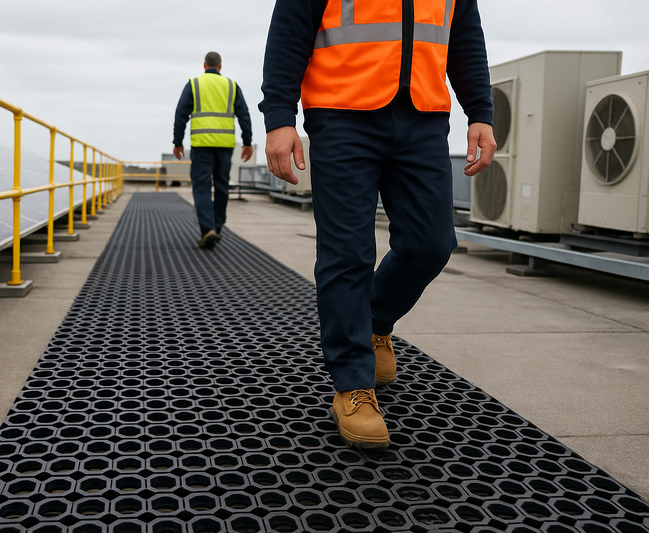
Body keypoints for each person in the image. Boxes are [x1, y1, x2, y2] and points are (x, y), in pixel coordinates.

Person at [260, 0, 496, 448]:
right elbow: (289, 31)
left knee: (431, 244)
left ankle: (376, 321)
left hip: (423, 118)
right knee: (347, 253)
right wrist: (279, 117)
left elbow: (465, 38)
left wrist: (480, 111)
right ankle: (352, 384)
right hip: (341, 115)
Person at [173, 51, 254, 249]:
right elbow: (244, 115)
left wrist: (178, 142)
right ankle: (217, 227)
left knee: (201, 186)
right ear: (220, 66)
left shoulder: (194, 84)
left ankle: (208, 228)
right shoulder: (232, 86)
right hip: (225, 145)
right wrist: (247, 142)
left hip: (201, 144)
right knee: (221, 186)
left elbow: (180, 114)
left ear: (204, 65)